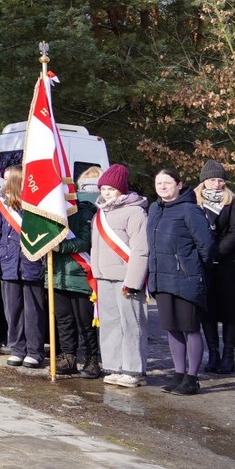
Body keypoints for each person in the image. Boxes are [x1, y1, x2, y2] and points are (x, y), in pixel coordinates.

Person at [147, 168, 215, 395]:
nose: (163, 187)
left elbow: (206, 246)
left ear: (179, 185)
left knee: (190, 329)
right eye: (159, 183)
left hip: (186, 279)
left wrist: (193, 269)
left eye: (167, 182)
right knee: (172, 328)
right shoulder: (155, 209)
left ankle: (192, 378)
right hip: (162, 278)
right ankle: (179, 374)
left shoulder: (190, 210)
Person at [89, 164, 149, 387]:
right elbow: (95, 247)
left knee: (131, 324)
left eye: (111, 189)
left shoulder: (136, 212)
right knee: (110, 323)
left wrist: (133, 282)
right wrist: (96, 274)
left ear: (121, 189)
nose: (106, 193)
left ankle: (134, 370)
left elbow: (140, 250)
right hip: (104, 277)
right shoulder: (99, 214)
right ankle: (114, 366)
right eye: (103, 188)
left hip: (126, 279)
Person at [0, 166, 46, 369]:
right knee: (12, 309)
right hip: (8, 261)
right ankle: (17, 348)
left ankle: (34, 351)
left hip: (31, 263)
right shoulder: (2, 205)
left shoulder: (36, 206)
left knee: (33, 310)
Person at [196, 160, 235, 376]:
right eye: (212, 179)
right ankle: (213, 354)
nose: (216, 184)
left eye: (220, 180)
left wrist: (216, 253)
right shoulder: (193, 201)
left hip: (227, 263)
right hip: (203, 263)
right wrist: (204, 254)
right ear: (204, 181)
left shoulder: (232, 201)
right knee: (208, 310)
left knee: (230, 311)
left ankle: (228, 356)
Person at [55, 174, 102, 378]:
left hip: (80, 272)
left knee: (84, 321)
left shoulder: (83, 213)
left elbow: (85, 242)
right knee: (64, 320)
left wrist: (61, 246)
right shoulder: (51, 213)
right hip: (57, 274)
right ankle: (69, 357)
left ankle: (92, 360)